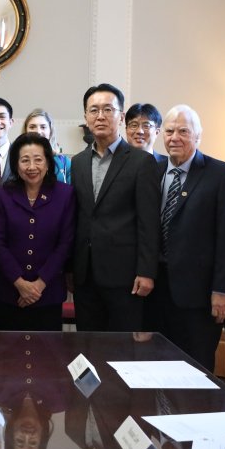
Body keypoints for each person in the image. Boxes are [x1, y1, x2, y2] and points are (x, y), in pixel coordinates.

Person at [144, 104, 225, 371]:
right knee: (156, 365)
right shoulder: (152, 171)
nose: (174, 137)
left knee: (195, 369)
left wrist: (223, 290)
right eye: (170, 131)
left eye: (183, 131)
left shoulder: (221, 175)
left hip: (198, 296)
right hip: (156, 291)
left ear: (198, 136)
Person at [70, 84, 161, 332]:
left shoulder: (142, 162)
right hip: (85, 275)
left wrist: (146, 271)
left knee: (122, 349)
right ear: (86, 117)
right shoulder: (77, 163)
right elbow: (77, 217)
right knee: (87, 343)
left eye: (108, 109)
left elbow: (148, 222)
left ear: (121, 117)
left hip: (125, 276)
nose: (100, 116)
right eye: (94, 110)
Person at [0, 132, 75, 330]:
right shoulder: (3, 194)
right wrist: (20, 283)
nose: (31, 167)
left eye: (38, 159)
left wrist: (39, 285)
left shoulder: (65, 194)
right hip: (10, 292)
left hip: (48, 293)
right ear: (15, 164)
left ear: (47, 163)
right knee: (7, 356)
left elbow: (65, 243)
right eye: (25, 160)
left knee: (47, 355)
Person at [22, 108, 71, 183]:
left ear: (50, 131)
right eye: (32, 127)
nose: (38, 131)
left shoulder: (64, 162)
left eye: (43, 127)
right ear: (25, 131)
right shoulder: (17, 160)